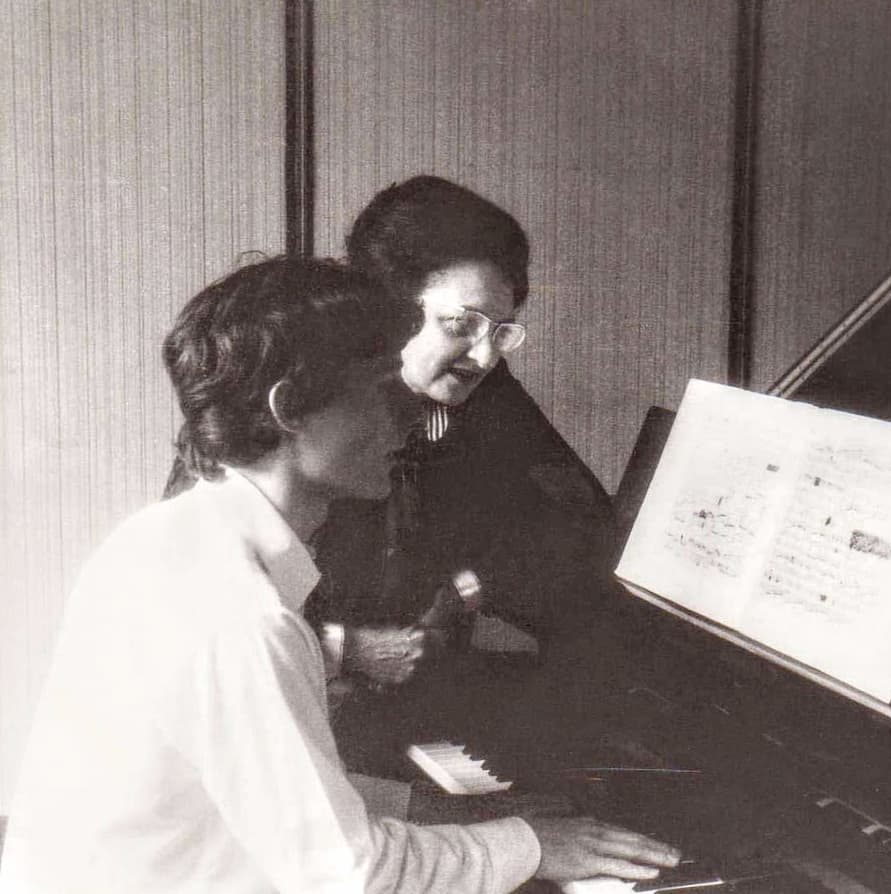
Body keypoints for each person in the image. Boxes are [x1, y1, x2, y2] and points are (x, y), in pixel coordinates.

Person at [0, 257, 679, 893]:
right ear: (290, 407)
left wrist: (432, 808)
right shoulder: (242, 616)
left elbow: (267, 790)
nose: (411, 413)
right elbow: (349, 873)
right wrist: (529, 843)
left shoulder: (169, 537)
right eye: (383, 388)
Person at [166, 176, 620, 689]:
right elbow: (197, 606)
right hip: (287, 683)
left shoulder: (481, 383)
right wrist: (345, 649)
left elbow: (578, 530)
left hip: (408, 691)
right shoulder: (283, 389)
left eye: (500, 331)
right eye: (460, 325)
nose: (485, 356)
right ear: (391, 309)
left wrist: (466, 587)